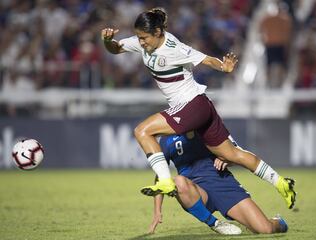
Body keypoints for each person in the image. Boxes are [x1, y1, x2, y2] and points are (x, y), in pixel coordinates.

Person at [101, 7, 296, 209]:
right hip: (201, 108)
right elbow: (116, 48)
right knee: (232, 154)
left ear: (158, 32)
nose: (141, 42)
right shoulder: (144, 42)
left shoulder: (173, 47)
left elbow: (205, 59)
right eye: (138, 37)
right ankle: (281, 183)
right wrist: (108, 41)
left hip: (192, 106)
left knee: (142, 131)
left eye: (144, 38)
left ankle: (166, 182)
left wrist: (223, 66)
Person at [148, 131, 288, 235]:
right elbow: (161, 176)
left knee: (265, 229)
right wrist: (157, 211)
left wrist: (227, 159)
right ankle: (215, 223)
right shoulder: (166, 139)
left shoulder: (208, 125)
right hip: (194, 190)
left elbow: (237, 154)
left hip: (221, 183)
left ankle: (278, 222)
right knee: (178, 182)